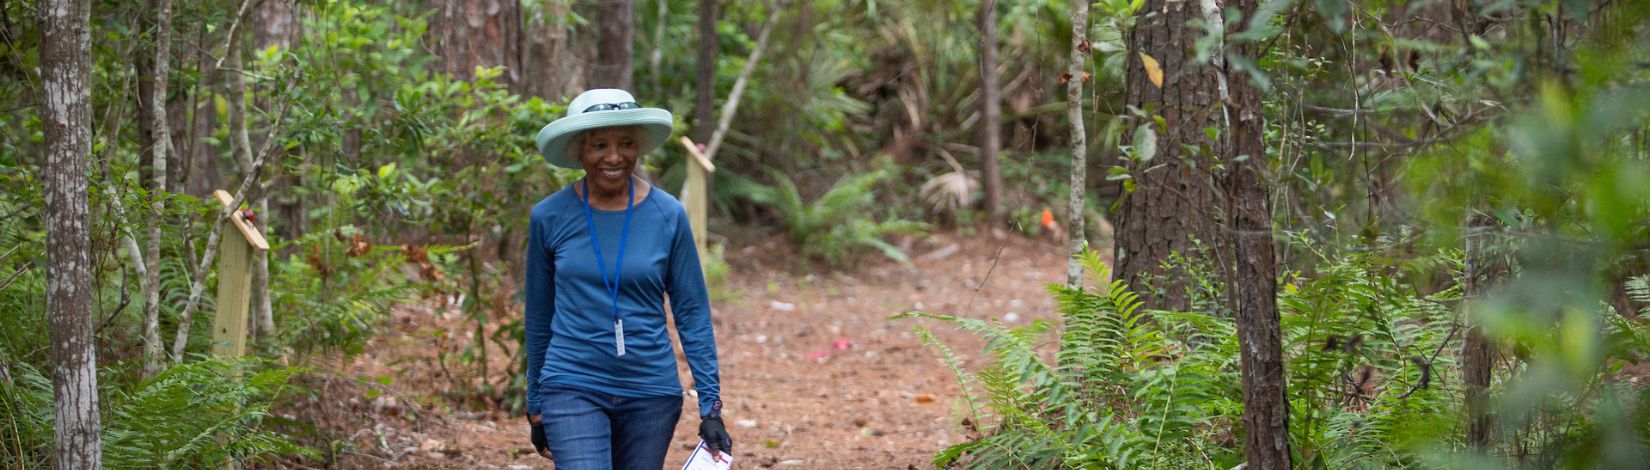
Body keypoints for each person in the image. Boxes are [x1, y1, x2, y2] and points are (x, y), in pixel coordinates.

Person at [523, 88, 731, 469]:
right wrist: (535, 403)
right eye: (599, 144)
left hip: (650, 390)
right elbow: (538, 315)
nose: (614, 157)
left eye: (626, 143)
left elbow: (692, 312)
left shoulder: (668, 215)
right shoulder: (549, 217)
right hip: (572, 382)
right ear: (577, 150)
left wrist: (710, 406)